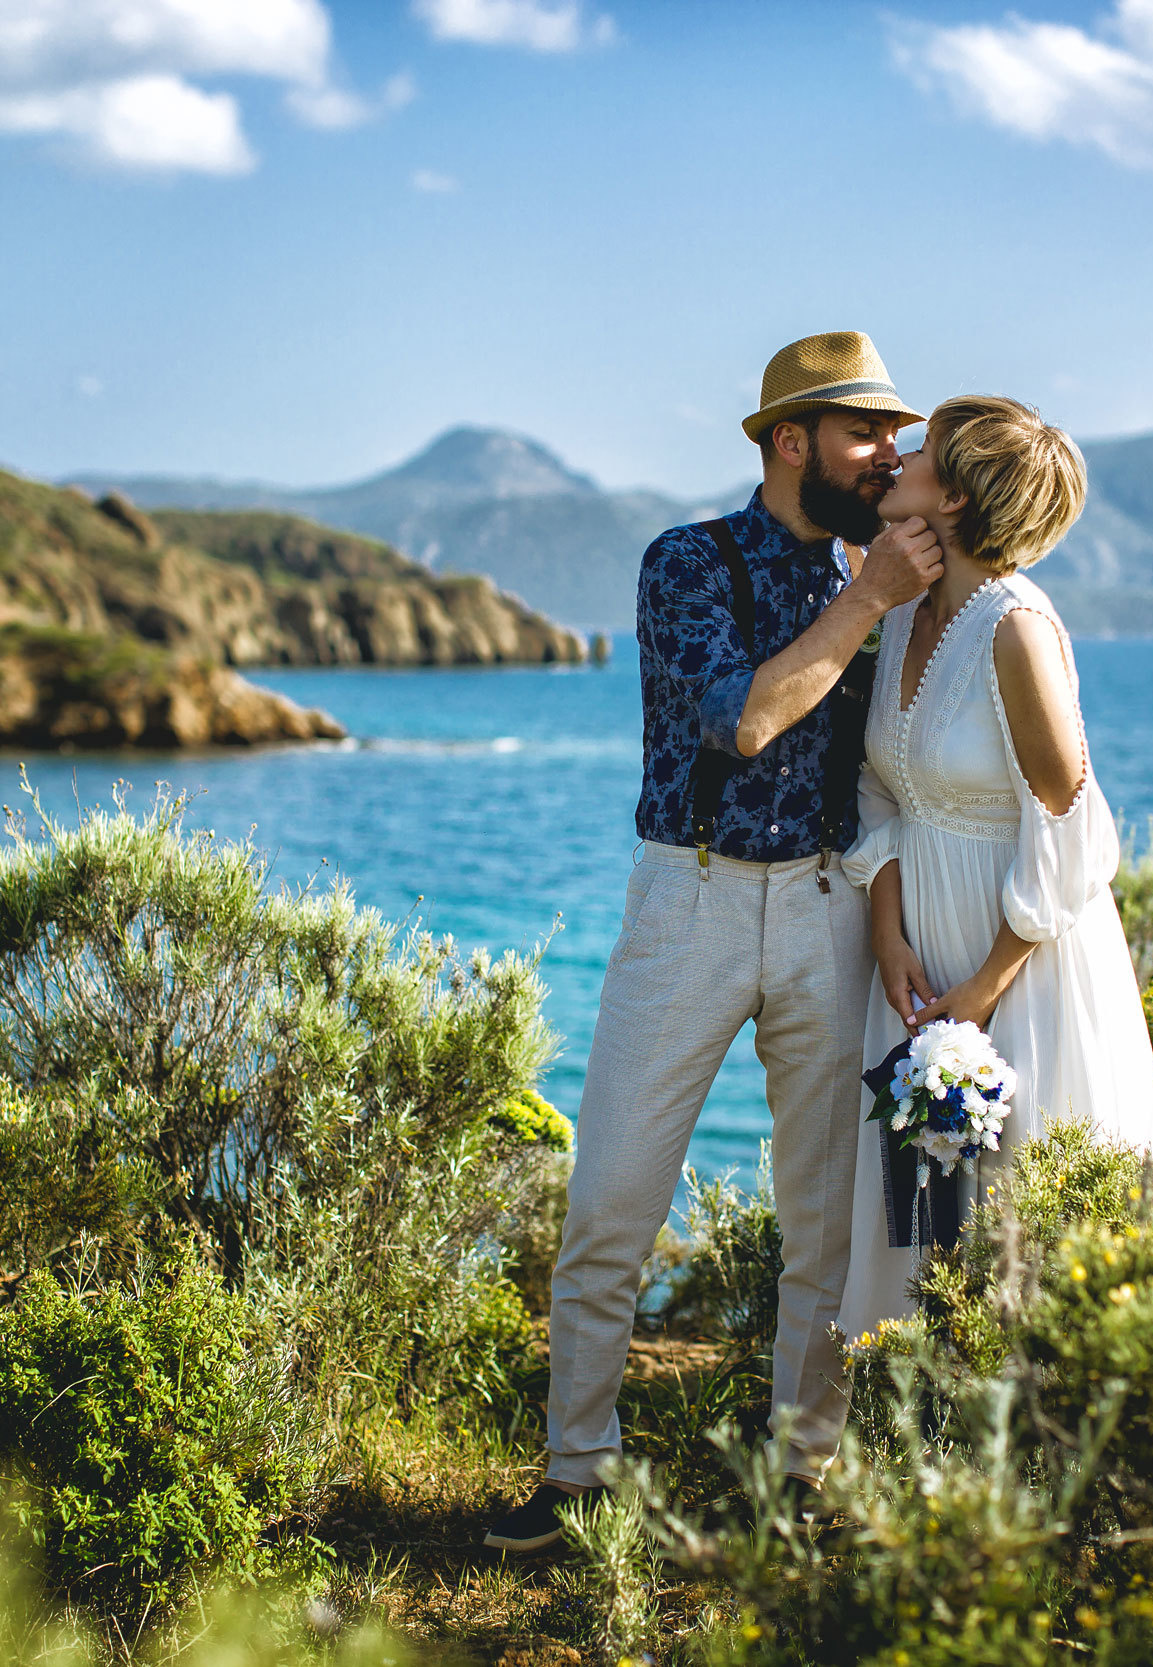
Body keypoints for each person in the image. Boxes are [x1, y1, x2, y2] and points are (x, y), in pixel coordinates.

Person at [483, 333, 944, 1553]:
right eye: (865, 431)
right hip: (687, 900)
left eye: (898, 435)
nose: (888, 452)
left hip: (828, 910)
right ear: (790, 439)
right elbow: (741, 720)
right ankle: (576, 1474)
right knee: (613, 1201)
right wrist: (869, 600)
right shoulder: (685, 562)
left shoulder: (880, 578)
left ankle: (804, 1477)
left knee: (824, 1222)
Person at [836, 395, 1153, 1344]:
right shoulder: (904, 612)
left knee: (1020, 1218)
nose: (897, 460)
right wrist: (887, 931)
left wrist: (985, 986)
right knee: (920, 1228)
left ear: (958, 494)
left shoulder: (1015, 628)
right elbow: (884, 793)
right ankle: (914, 1456)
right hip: (920, 966)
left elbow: (1071, 831)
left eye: (924, 452)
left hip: (1019, 967)